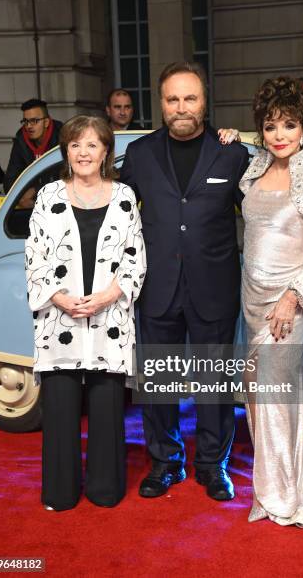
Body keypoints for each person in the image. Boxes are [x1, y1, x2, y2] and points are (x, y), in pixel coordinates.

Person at [121, 61, 250, 501]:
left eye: (190, 98)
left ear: (204, 101)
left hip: (214, 285)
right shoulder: (139, 153)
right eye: (172, 99)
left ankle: (214, 466)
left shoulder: (232, 153)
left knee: (215, 383)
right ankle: (165, 462)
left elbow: (266, 205)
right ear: (161, 104)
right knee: (158, 383)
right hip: (156, 286)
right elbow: (114, 211)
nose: (181, 108)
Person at [25, 115, 146, 511]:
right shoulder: (48, 196)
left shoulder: (125, 196)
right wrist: (57, 297)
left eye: (92, 145)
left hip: (109, 319)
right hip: (59, 319)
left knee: (107, 407)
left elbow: (135, 258)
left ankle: (104, 489)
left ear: (106, 151)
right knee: (60, 408)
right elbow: (35, 256)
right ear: (66, 151)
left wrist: (109, 295)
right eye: (75, 145)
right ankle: (59, 493)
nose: (83, 152)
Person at [239, 76, 303, 532]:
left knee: (279, 396)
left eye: (289, 124)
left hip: (287, 306)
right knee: (258, 400)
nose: (279, 135)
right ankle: (269, 490)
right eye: (270, 125)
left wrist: (294, 298)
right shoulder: (254, 170)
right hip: (251, 300)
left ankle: (291, 498)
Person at [5, 98, 62, 192]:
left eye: (34, 121)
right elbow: (10, 180)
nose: (29, 126)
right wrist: (23, 195)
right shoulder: (21, 140)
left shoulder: (63, 137)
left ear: (46, 122)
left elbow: (69, 179)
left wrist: (35, 191)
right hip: (29, 201)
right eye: (26, 121)